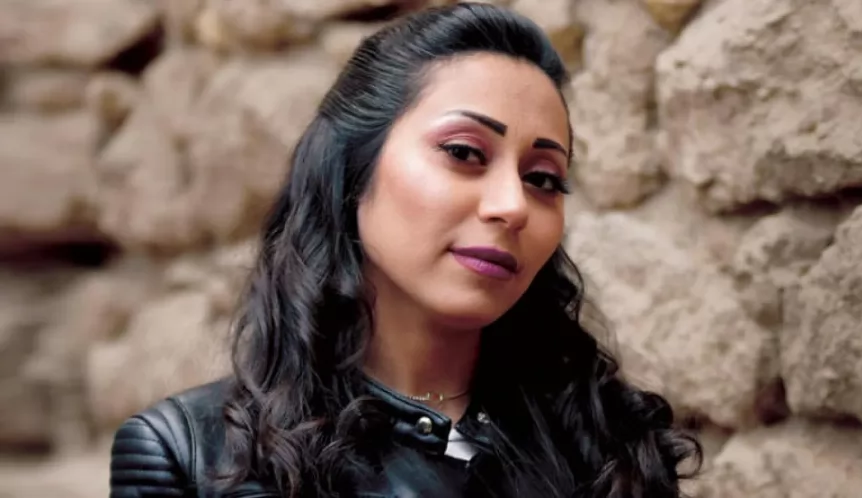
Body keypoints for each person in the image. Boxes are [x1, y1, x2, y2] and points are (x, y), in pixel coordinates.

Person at [108, 3, 701, 497]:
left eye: (543, 178)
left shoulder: (615, 448)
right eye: (464, 152)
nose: (513, 206)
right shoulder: (192, 454)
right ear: (352, 169)